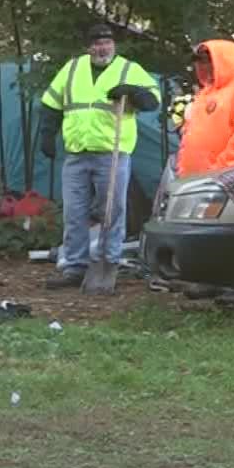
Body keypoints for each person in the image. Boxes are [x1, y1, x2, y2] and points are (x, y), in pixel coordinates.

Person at [38, 23, 160, 288]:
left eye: (106, 42)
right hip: (76, 153)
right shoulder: (72, 69)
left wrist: (133, 92)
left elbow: (153, 102)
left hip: (113, 152)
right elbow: (51, 104)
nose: (101, 47)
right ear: (88, 46)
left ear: (113, 45)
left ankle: (109, 262)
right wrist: (47, 135)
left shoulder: (128, 69)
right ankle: (75, 267)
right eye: (96, 43)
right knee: (74, 211)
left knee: (111, 211)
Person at [175, 38, 234, 176]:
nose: (200, 64)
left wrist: (218, 176)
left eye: (206, 59)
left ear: (223, 59)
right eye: (197, 60)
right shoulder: (206, 92)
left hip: (229, 183)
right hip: (197, 184)